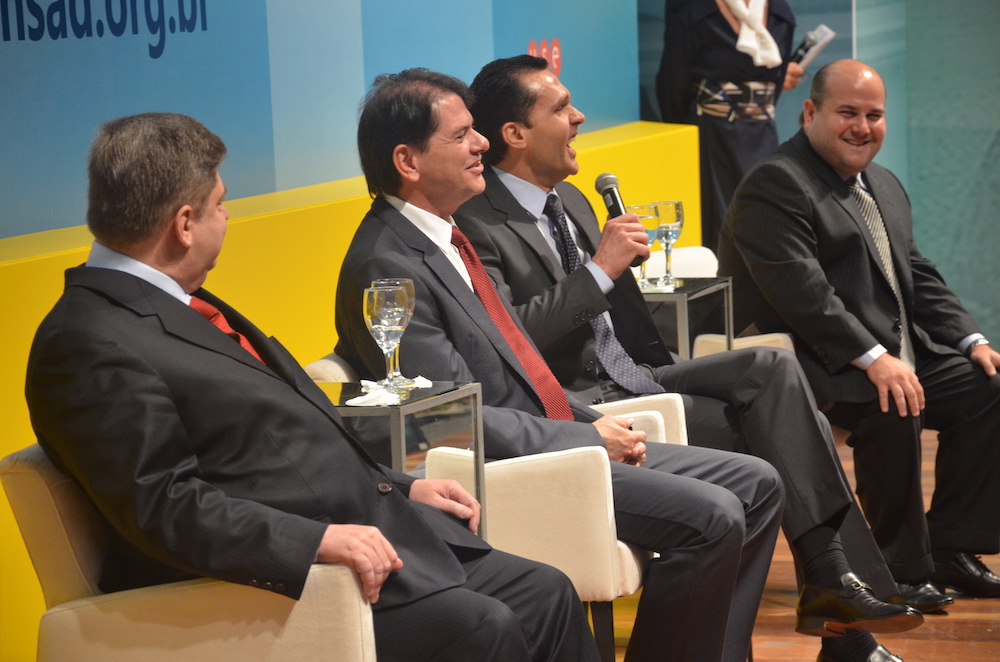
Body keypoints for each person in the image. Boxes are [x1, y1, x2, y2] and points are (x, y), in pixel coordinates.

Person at [23, 112, 602, 662]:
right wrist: (318, 543)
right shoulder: (87, 344)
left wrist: (401, 488)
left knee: (546, 592)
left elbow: (282, 446)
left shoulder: (176, 302)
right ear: (182, 224)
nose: (226, 219)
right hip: (272, 588)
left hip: (374, 535)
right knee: (487, 626)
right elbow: (164, 507)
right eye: (220, 206)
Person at [453, 54, 923, 662]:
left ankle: (833, 585)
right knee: (776, 436)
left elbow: (621, 324)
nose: (580, 116)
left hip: (634, 378)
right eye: (561, 108)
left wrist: (661, 361)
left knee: (770, 370)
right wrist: (601, 268)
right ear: (515, 134)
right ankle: (840, 613)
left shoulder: (568, 199)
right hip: (582, 401)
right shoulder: (475, 219)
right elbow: (512, 340)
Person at [334, 66, 785, 662]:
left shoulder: (446, 237)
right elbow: (450, 416)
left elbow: (519, 363)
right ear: (408, 161)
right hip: (512, 469)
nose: (481, 145)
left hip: (554, 436)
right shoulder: (387, 264)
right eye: (462, 135)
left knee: (757, 483)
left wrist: (585, 419)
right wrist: (579, 433)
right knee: (717, 514)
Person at [719, 59, 1000, 610]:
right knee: (891, 400)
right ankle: (902, 567)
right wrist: (875, 358)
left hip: (882, 348)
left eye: (874, 115)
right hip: (806, 359)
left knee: (985, 387)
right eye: (847, 112)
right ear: (809, 112)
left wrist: (972, 341)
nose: (862, 127)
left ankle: (951, 547)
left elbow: (916, 271)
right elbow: (805, 297)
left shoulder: (882, 182)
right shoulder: (775, 184)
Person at [656, 0, 803, 251]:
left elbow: (775, 85)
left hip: (762, 138)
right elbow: (671, 88)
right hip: (710, 140)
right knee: (720, 234)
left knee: (767, 222)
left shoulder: (780, 13)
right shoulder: (693, 13)